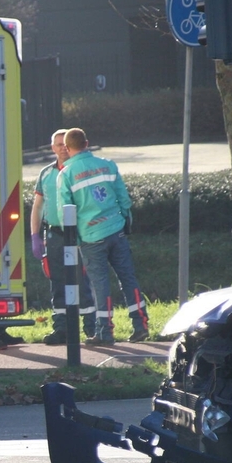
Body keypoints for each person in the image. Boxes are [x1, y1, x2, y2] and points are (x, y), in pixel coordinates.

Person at [57, 128, 148, 346]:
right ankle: (140, 325)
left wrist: (73, 240)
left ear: (68, 148)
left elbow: (64, 213)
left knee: (100, 285)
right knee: (128, 278)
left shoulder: (66, 174)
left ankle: (105, 333)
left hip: (90, 237)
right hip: (116, 230)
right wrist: (126, 222)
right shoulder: (108, 165)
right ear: (87, 143)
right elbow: (123, 198)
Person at [30, 129, 96, 345]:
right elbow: (38, 206)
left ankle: (91, 328)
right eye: (57, 144)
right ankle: (61, 329)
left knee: (82, 282)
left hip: (79, 234)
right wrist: (35, 235)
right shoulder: (46, 174)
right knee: (57, 283)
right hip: (55, 235)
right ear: (52, 148)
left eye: (64, 144)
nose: (62, 147)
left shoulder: (80, 170)